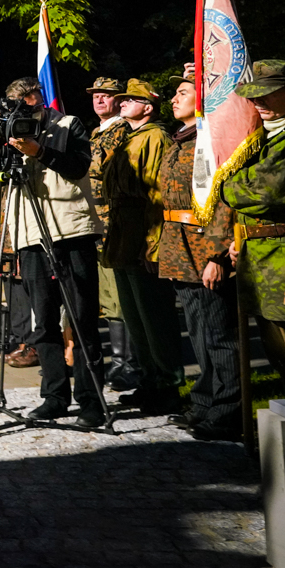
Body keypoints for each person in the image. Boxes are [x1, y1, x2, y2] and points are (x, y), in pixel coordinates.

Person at [0, 76, 104, 427]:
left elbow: (79, 167)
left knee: (81, 320)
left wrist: (39, 151)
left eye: (26, 100)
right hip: (29, 236)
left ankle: (91, 400)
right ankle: (54, 396)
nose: (22, 108)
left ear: (38, 97)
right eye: (14, 103)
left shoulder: (68, 124)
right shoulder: (7, 134)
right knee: (43, 321)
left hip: (70, 231)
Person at [221, 59, 285, 385]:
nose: (257, 102)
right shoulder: (261, 135)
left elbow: (267, 192)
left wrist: (224, 185)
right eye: (252, 95)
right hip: (260, 256)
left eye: (267, 94)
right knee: (276, 350)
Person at [156, 73, 240, 441]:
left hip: (204, 247)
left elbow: (223, 200)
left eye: (183, 92)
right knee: (200, 333)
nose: (174, 98)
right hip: (180, 248)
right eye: (175, 92)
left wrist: (218, 255)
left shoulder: (212, 142)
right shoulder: (180, 141)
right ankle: (205, 401)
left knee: (220, 335)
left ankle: (228, 410)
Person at [102, 79, 184, 415]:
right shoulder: (128, 137)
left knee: (154, 316)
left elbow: (156, 193)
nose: (121, 104)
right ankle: (149, 380)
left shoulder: (154, 137)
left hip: (142, 229)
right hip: (124, 231)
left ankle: (167, 385)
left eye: (130, 100)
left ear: (148, 107)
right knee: (135, 317)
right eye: (121, 100)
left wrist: (152, 243)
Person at [87, 76, 141, 390]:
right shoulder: (97, 131)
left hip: (113, 224)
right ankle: (119, 362)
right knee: (108, 299)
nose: (100, 100)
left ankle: (130, 364)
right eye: (96, 95)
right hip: (96, 224)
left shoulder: (122, 131)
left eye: (106, 95)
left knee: (121, 296)